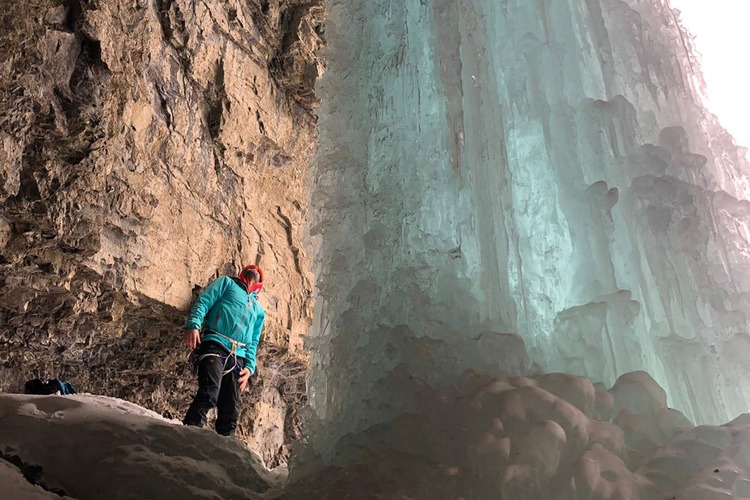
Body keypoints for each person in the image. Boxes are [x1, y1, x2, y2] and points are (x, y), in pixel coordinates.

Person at [182, 264, 265, 436]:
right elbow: (204, 301)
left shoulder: (258, 310)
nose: (256, 268)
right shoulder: (227, 283)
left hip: (238, 357)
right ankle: (187, 435)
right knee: (209, 393)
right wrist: (194, 325)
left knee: (231, 409)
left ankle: (225, 454)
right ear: (243, 273)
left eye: (259, 271)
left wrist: (250, 368)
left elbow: (253, 342)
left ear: (260, 284)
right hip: (215, 344)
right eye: (252, 268)